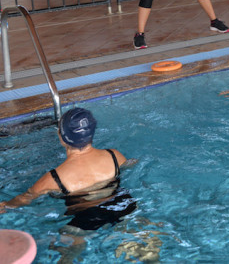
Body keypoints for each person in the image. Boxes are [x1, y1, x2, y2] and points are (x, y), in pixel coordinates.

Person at [0, 108, 136, 259]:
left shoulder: (53, 179)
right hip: (124, 206)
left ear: (61, 137)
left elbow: (25, 198)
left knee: (62, 248)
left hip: (86, 219)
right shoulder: (115, 155)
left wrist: (5, 205)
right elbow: (130, 165)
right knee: (141, 242)